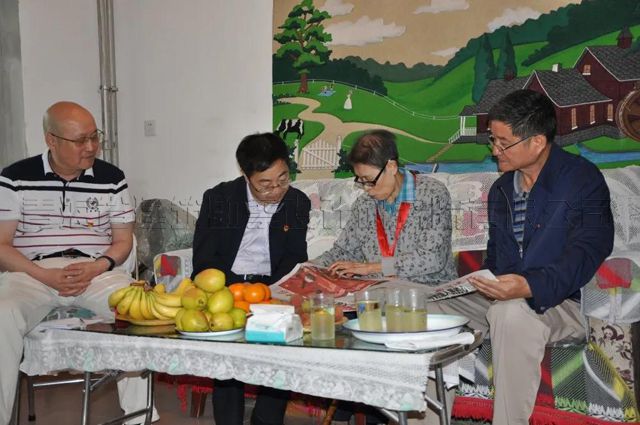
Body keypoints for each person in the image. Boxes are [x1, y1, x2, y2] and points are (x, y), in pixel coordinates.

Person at [429, 89, 614, 425]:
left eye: (503, 143)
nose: (494, 150)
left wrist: (528, 286)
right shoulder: (502, 190)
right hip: (504, 296)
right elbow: (497, 256)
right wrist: (484, 282)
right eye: (492, 140)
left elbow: (588, 250)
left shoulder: (582, 180)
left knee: (511, 313)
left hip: (560, 303)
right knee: (428, 309)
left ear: (537, 142)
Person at [0, 101, 157, 424]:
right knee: (3, 313)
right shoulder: (15, 177)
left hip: (96, 271)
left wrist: (98, 265)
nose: (91, 147)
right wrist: (43, 275)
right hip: (31, 273)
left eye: (94, 137)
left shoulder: (111, 178)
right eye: (80, 140)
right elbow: (2, 244)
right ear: (51, 140)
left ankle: (139, 419)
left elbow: (123, 240)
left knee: (137, 311)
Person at [192, 132, 311, 425]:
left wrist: (268, 289)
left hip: (271, 285)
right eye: (265, 184)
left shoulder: (297, 202)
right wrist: (235, 288)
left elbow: (295, 257)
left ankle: (266, 419)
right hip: (226, 284)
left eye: (283, 179)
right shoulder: (218, 199)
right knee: (227, 350)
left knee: (283, 346)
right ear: (246, 176)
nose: (276, 190)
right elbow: (204, 259)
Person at [314, 129, 457, 285]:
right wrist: (309, 267)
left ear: (391, 167)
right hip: (379, 290)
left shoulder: (432, 194)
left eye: (369, 180)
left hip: (428, 288)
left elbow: (432, 259)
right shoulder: (364, 204)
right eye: (361, 180)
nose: (366, 189)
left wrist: (372, 268)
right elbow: (344, 252)